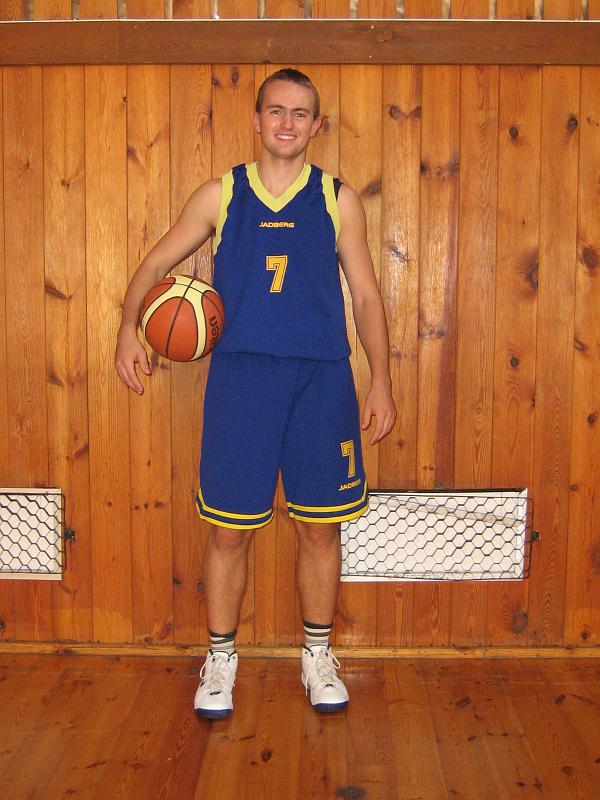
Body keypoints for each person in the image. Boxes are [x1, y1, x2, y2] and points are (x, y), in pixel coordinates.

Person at [115, 68, 396, 719]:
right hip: (241, 380)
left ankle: (317, 655)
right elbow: (154, 264)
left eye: (300, 113)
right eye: (276, 110)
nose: (287, 123)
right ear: (256, 119)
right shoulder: (222, 194)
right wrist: (128, 328)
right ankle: (220, 661)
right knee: (228, 532)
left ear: (316, 125)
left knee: (320, 528)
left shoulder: (336, 198)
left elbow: (366, 296)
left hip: (321, 379)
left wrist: (381, 379)